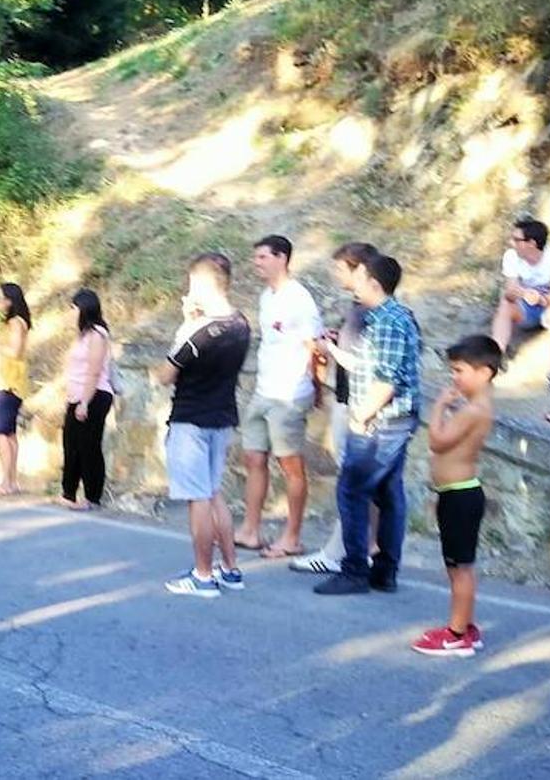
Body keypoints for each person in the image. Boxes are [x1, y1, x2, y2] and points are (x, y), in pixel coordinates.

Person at [315, 253, 422, 595]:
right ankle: (385, 570)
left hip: (380, 422)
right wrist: (333, 350)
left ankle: (355, 570)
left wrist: (361, 417)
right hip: (390, 421)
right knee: (388, 493)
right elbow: (367, 366)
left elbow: (387, 380)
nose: (354, 285)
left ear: (374, 283)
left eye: (359, 278)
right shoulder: (387, 318)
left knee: (352, 490)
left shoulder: (388, 322)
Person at [155, 254, 253, 597]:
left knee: (198, 498)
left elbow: (165, 374)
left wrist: (185, 326)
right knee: (212, 493)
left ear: (204, 284)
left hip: (190, 420)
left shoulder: (198, 332)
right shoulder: (241, 324)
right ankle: (230, 568)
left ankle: (202, 574)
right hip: (222, 417)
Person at [292, 242, 381, 575]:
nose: (335, 274)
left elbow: (363, 363)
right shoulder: (362, 308)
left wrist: (329, 346)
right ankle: (369, 546)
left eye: (340, 268)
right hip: (352, 399)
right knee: (364, 481)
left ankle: (338, 551)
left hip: (357, 403)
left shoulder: (368, 311)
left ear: (359, 269)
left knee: (352, 480)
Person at [234, 235, 323, 558]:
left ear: (282, 258)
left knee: (291, 466)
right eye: (256, 257)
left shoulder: (300, 299)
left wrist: (315, 387)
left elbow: (316, 346)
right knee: (254, 458)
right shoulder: (265, 297)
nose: (257, 263)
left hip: (289, 393)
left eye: (263, 257)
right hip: (264, 389)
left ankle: (292, 537)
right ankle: (250, 529)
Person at [411, 335, 499, 657]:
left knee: (461, 567)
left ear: (484, 373)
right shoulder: (473, 408)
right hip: (454, 493)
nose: (454, 377)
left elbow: (437, 440)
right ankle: (465, 626)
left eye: (460, 370)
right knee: (455, 565)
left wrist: (438, 407)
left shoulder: (474, 409)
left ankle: (456, 634)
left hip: (462, 495)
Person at [488, 218, 550, 396]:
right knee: (505, 305)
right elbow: (510, 291)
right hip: (525, 308)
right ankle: (494, 361)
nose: (511, 243)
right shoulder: (511, 256)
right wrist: (523, 294)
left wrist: (540, 299)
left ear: (531, 243)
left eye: (516, 239)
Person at [60, 289, 116, 510]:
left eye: (74, 308)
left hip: (95, 395)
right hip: (77, 395)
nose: (71, 312)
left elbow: (94, 371)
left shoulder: (97, 335)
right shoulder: (83, 335)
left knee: (89, 445)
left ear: (84, 309)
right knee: (70, 443)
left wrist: (84, 402)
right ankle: (68, 493)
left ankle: (92, 496)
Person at [0, 282, 30, 495]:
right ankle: (12, 481)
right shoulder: (9, 323)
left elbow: (15, 351)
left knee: (2, 433)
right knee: (9, 434)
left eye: (1, 298)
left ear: (10, 301)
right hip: (2, 382)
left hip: (7, 384)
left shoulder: (17, 323)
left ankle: (7, 483)